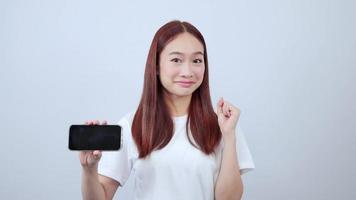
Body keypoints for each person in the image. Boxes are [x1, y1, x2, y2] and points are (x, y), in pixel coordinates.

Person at [79, 20, 255, 200]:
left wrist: (229, 135)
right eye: (176, 60)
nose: (187, 71)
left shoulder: (223, 125)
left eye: (196, 60)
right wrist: (89, 169)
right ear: (156, 65)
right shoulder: (133, 125)